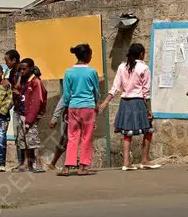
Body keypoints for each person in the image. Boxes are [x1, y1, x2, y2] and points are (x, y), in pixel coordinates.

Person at [98, 43, 161, 171]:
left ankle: (126, 162)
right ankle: (145, 159)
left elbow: (115, 87)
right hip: (138, 102)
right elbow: (146, 92)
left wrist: (105, 102)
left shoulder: (122, 67)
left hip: (125, 102)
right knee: (148, 129)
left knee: (127, 133)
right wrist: (149, 109)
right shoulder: (143, 68)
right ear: (142, 54)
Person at [58, 43, 102, 176]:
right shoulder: (92, 72)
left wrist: (66, 108)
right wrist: (96, 104)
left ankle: (67, 167)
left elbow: (66, 94)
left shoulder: (68, 72)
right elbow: (96, 91)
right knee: (86, 137)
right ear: (87, 56)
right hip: (88, 107)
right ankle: (82, 167)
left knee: (72, 136)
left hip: (73, 106)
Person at [17, 58, 47, 173]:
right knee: (24, 142)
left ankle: (37, 165)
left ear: (31, 68)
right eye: (21, 69)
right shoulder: (25, 81)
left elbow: (36, 102)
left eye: (24, 69)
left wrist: (29, 120)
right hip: (22, 114)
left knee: (33, 141)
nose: (22, 71)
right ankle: (29, 165)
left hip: (30, 117)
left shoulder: (35, 82)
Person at [47, 79, 69, 170]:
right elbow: (63, 101)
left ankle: (73, 163)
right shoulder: (71, 89)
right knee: (65, 141)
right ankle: (54, 163)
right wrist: (54, 118)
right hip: (70, 118)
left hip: (79, 116)